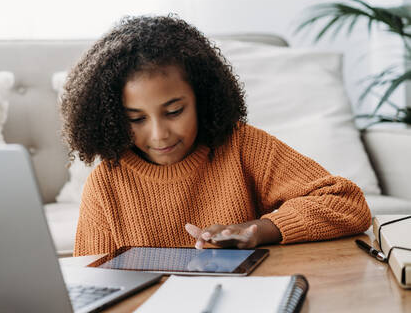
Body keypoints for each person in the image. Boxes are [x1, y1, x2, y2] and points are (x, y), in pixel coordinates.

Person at [60, 15, 371, 256]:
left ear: (202, 98)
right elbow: (92, 279)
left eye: (174, 111)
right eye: (136, 118)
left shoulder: (242, 146)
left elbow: (347, 203)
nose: (159, 134)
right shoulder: (106, 184)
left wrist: (258, 229)